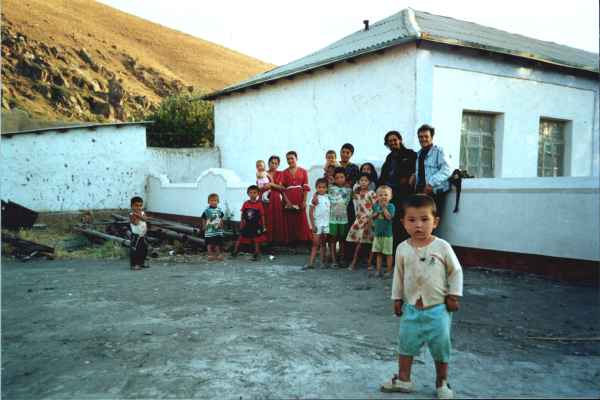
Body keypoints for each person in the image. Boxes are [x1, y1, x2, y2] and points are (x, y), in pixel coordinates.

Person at [380, 194, 463, 399]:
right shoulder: (402, 249)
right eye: (412, 220)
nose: (418, 225)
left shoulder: (442, 247)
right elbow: (398, 276)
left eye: (424, 219)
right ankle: (404, 379)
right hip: (411, 309)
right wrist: (396, 298)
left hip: (438, 309)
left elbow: (456, 271)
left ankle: (442, 382)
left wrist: (453, 295)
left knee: (441, 345)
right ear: (403, 223)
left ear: (435, 222)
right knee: (405, 344)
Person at [379, 130, 417, 246]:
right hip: (390, 195)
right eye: (390, 141)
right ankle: (391, 251)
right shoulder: (389, 157)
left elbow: (416, 169)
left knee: (402, 221)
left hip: (404, 194)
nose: (393, 143)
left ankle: (402, 249)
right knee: (391, 222)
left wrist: (412, 176)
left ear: (400, 140)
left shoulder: (410, 154)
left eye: (395, 140)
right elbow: (383, 175)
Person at [409, 124, 451, 224]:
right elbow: (424, 169)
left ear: (431, 137)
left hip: (434, 192)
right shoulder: (419, 154)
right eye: (420, 137)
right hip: (420, 192)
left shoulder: (439, 151)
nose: (423, 139)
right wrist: (414, 174)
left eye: (426, 136)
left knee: (430, 221)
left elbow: (447, 170)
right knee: (420, 221)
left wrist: (431, 183)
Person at [282, 151, 312, 249]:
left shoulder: (303, 171)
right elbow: (282, 189)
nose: (290, 160)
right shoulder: (284, 172)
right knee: (290, 219)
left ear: (296, 158)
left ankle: (305, 240)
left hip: (300, 196)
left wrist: (304, 201)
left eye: (292, 158)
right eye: (288, 159)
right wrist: (287, 202)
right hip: (289, 197)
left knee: (302, 218)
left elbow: (306, 187)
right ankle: (292, 241)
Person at [346, 172, 375, 271]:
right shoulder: (356, 193)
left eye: (366, 181)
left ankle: (369, 263)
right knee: (359, 243)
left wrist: (371, 219)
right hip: (359, 220)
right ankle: (354, 262)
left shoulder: (371, 193)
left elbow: (375, 207)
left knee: (371, 243)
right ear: (358, 182)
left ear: (369, 182)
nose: (363, 182)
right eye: (361, 180)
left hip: (370, 220)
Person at [232, 185, 267, 261]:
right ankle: (235, 251)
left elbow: (262, 215)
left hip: (256, 225)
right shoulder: (246, 203)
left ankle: (256, 253)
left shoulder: (259, 204)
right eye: (250, 193)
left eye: (254, 192)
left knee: (256, 239)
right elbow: (242, 214)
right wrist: (241, 222)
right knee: (240, 238)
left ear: (258, 194)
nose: (252, 194)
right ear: (248, 194)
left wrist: (263, 225)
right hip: (246, 224)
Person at [327, 167, 352, 268]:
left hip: (344, 219)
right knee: (333, 240)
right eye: (337, 177)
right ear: (334, 179)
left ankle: (342, 259)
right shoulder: (330, 188)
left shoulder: (349, 190)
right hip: (332, 219)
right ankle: (333, 260)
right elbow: (321, 192)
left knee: (342, 239)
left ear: (345, 178)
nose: (339, 179)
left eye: (342, 177)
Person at [304, 178, 331, 270]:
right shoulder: (314, 198)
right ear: (316, 188)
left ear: (327, 188)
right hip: (317, 223)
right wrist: (312, 225)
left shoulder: (329, 197)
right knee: (315, 244)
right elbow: (310, 212)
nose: (321, 189)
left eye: (323, 187)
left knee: (324, 244)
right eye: (319, 187)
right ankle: (311, 263)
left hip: (326, 224)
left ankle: (323, 262)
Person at [371, 185, 395, 278]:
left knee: (388, 253)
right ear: (377, 197)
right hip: (378, 234)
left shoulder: (391, 206)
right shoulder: (376, 206)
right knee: (378, 253)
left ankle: (389, 270)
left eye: (386, 195)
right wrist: (377, 211)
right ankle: (378, 270)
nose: (383, 197)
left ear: (390, 196)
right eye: (380, 195)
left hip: (387, 235)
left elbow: (389, 217)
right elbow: (372, 217)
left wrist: (384, 208)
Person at [263, 155, 287, 244]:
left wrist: (272, 185)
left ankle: (276, 240)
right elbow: (260, 186)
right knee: (266, 218)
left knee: (276, 218)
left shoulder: (280, 174)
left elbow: (282, 187)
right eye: (272, 163)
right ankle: (266, 239)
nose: (273, 165)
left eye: (276, 163)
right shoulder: (263, 173)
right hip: (265, 199)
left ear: (278, 165)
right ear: (268, 163)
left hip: (276, 199)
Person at [201, 193, 225, 261]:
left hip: (217, 229)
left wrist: (221, 224)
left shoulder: (219, 210)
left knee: (217, 243)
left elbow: (221, 218)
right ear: (208, 202)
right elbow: (203, 218)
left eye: (215, 200)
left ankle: (218, 254)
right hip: (209, 229)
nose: (213, 202)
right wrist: (204, 226)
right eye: (211, 201)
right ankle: (210, 255)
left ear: (218, 201)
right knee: (209, 243)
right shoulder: (207, 210)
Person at [129, 196, 150, 271]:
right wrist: (137, 215)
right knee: (135, 250)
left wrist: (138, 215)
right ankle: (134, 265)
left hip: (143, 235)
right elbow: (136, 223)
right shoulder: (131, 215)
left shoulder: (142, 213)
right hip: (136, 236)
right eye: (136, 206)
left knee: (143, 249)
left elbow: (145, 219)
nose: (139, 207)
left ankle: (141, 263)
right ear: (132, 206)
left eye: (140, 205)